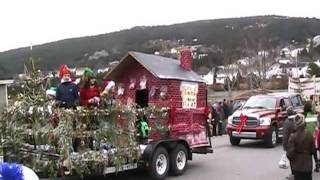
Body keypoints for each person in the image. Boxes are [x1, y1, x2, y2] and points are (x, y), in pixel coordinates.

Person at [287, 114, 318, 180]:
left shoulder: (293, 137)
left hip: (297, 167)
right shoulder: (309, 135)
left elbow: (290, 154)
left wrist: (292, 160)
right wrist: (316, 161)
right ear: (304, 123)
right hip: (307, 166)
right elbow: (314, 150)